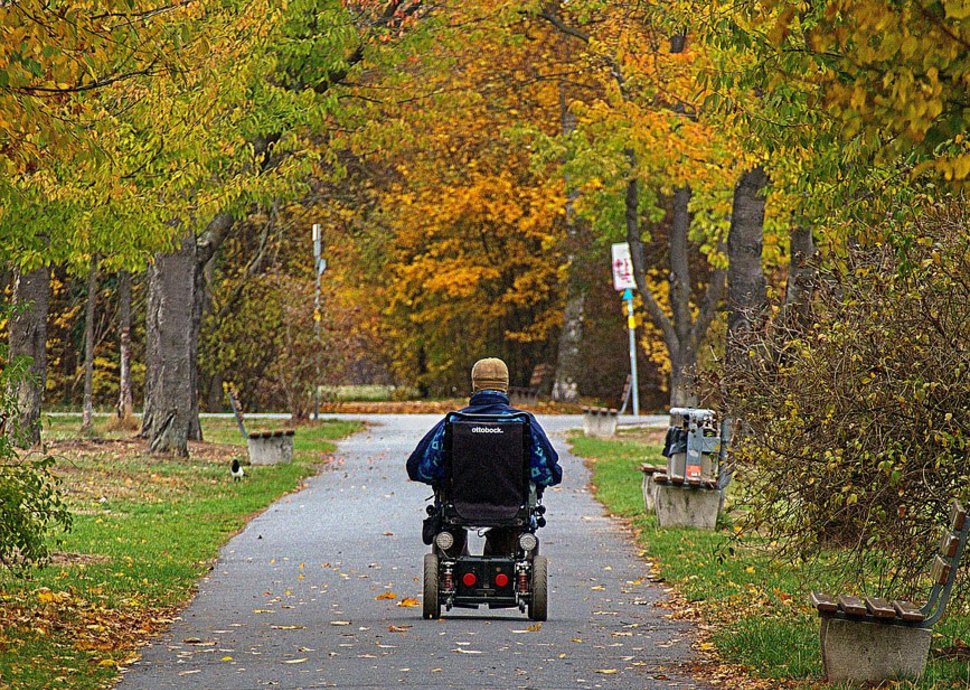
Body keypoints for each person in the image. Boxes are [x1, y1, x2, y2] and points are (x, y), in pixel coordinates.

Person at [406, 357, 562, 555]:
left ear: (474, 385)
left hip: (458, 506)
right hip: (512, 508)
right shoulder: (524, 423)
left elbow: (419, 468)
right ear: (505, 386)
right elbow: (548, 474)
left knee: (448, 528)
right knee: (510, 534)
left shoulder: (453, 422)